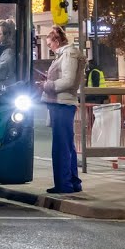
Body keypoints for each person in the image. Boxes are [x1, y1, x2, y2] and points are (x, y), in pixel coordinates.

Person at [39, 25, 85, 194]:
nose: (49, 47)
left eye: (50, 43)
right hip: (60, 103)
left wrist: (47, 85)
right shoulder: (65, 54)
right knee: (66, 145)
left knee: (61, 146)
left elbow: (68, 80)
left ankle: (64, 183)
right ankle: (71, 181)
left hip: (62, 104)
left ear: (57, 41)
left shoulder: (68, 54)